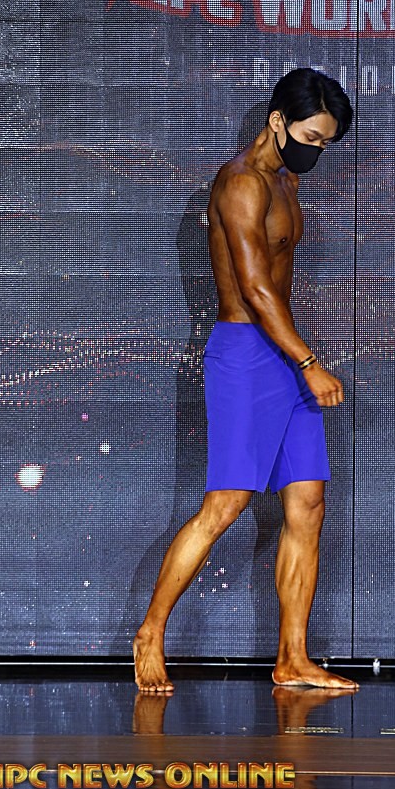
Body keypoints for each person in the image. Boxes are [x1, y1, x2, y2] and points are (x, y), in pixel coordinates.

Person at [133, 68, 358, 692]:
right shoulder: (240, 184)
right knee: (226, 505)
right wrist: (308, 363)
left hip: (283, 351)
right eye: (311, 138)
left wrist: (297, 358)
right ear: (277, 121)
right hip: (247, 354)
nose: (316, 151)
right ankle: (150, 632)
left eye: (325, 143)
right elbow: (256, 289)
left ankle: (292, 659)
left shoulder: (285, 180)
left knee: (307, 504)